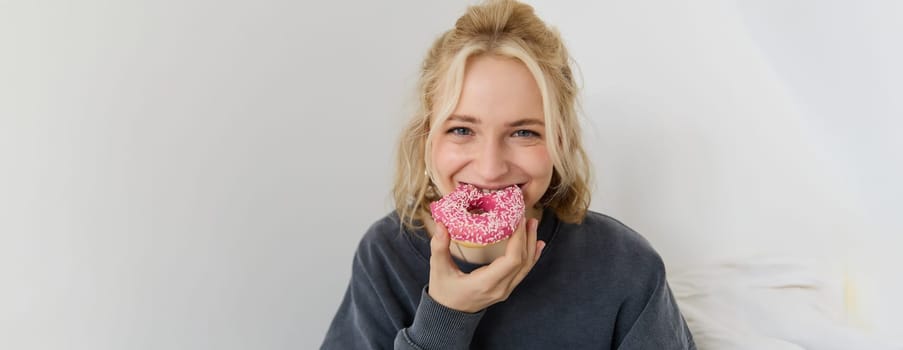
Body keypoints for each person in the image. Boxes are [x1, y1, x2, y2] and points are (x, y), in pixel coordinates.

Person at [321, 0, 695, 349]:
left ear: (560, 142)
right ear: (426, 138)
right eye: (462, 130)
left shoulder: (625, 264)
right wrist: (445, 316)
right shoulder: (385, 254)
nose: (490, 168)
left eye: (524, 133)